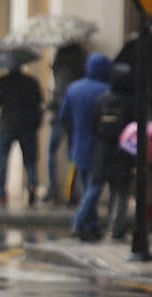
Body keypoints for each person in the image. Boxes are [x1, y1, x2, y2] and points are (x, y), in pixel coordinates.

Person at [62, 52, 112, 241]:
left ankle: (91, 225)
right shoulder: (107, 90)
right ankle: (79, 221)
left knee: (87, 186)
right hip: (99, 145)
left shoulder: (73, 89)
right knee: (95, 186)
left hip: (79, 144)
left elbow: (64, 117)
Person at [87, 63, 136, 241]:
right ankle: (115, 227)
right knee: (120, 192)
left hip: (103, 150)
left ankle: (83, 220)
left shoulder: (102, 99)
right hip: (123, 152)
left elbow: (93, 124)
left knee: (95, 188)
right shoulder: (131, 101)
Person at [0, 61, 42, 207]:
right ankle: (31, 186)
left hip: (9, 125)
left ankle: (1, 193)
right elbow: (38, 101)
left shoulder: (3, 82)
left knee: (3, 159)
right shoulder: (31, 82)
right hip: (27, 125)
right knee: (29, 160)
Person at [44, 42, 87, 204]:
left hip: (61, 115)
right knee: (72, 155)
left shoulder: (62, 68)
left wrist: (51, 105)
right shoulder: (81, 66)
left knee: (52, 150)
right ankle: (72, 189)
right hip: (76, 115)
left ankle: (53, 187)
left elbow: (62, 93)